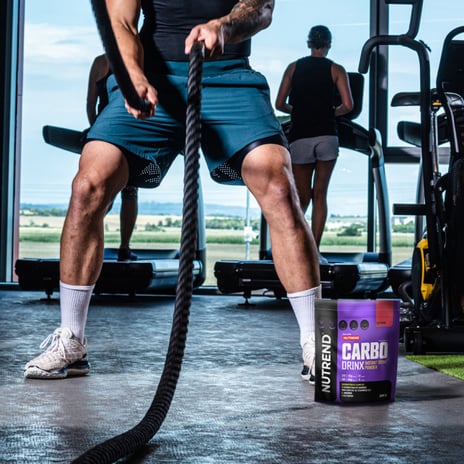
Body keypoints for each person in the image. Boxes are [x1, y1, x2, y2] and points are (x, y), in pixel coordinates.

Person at [24, 0, 320, 384]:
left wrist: (224, 26)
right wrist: (132, 75)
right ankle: (72, 339)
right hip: (151, 76)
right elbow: (121, 23)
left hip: (229, 77)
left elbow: (260, 8)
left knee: (280, 188)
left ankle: (315, 342)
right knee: (88, 185)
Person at [275, 25, 353, 259]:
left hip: (301, 135)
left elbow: (279, 104)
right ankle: (314, 250)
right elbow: (348, 105)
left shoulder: (293, 67)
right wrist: (329, 112)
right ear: (329, 44)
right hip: (327, 135)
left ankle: (297, 250)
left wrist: (300, 111)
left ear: (309, 43)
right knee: (320, 193)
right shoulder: (336, 69)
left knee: (302, 196)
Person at [87, 53, 138, 261]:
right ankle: (123, 246)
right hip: (125, 132)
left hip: (108, 131)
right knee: (125, 191)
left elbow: (90, 104)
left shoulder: (101, 62)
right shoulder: (132, 59)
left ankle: (93, 240)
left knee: (109, 192)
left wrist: (95, 131)